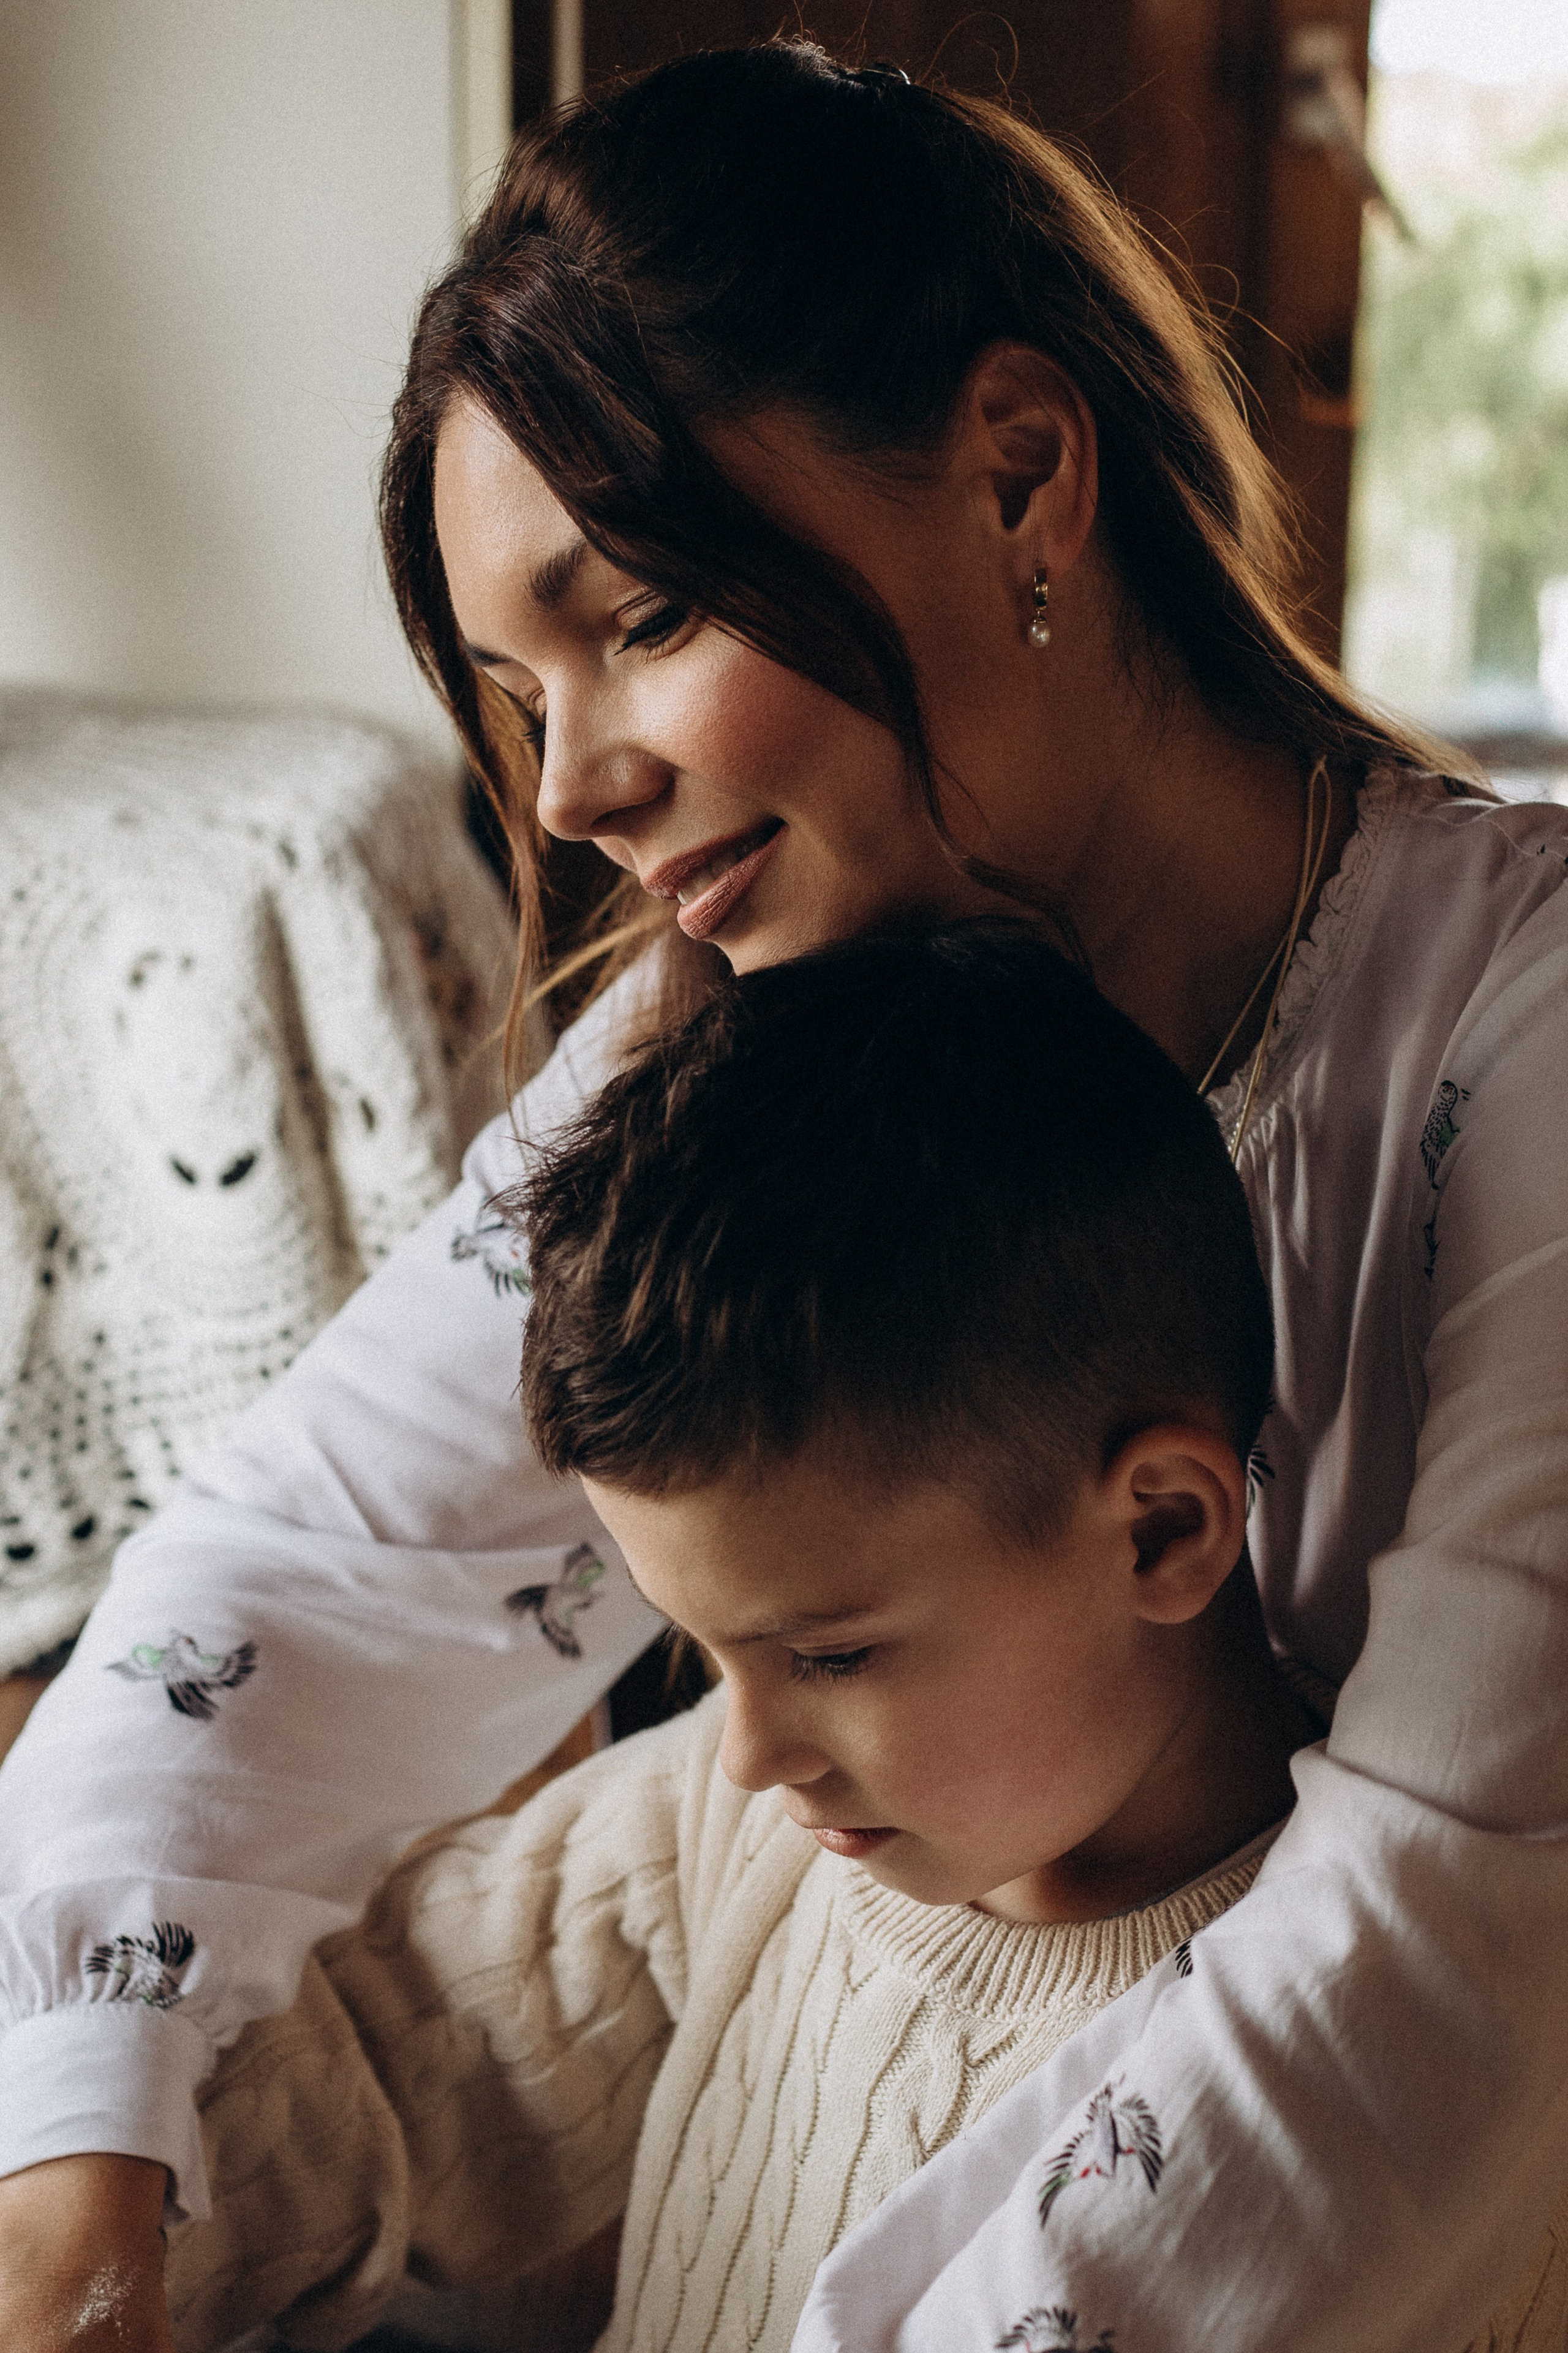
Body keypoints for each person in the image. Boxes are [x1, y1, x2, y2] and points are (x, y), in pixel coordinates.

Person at [3, 34, 1568, 2353]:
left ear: (1024, 476)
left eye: (637, 621)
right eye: (523, 698)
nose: (569, 801)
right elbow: (303, 1578)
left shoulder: (1524, 1039)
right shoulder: (738, 1019)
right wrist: (80, 2179)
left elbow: (1453, 1924)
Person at [162, 926, 1564, 2353]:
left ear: (1158, 1532)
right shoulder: (726, 1821)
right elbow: (366, 2068)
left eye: (828, 1656)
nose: (751, 1754)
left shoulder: (1391, 2107)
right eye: (704, 1654)